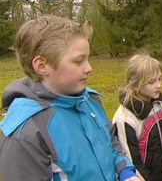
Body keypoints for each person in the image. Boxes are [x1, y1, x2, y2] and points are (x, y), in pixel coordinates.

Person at [0, 15, 142, 181]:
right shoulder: (25, 134)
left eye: (88, 59)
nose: (89, 68)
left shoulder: (91, 101)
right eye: (78, 61)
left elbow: (110, 143)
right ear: (42, 66)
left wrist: (126, 172)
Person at [112, 54, 162, 181]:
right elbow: (129, 159)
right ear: (135, 83)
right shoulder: (125, 119)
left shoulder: (158, 103)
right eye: (152, 81)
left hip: (161, 174)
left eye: (160, 79)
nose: (159, 85)